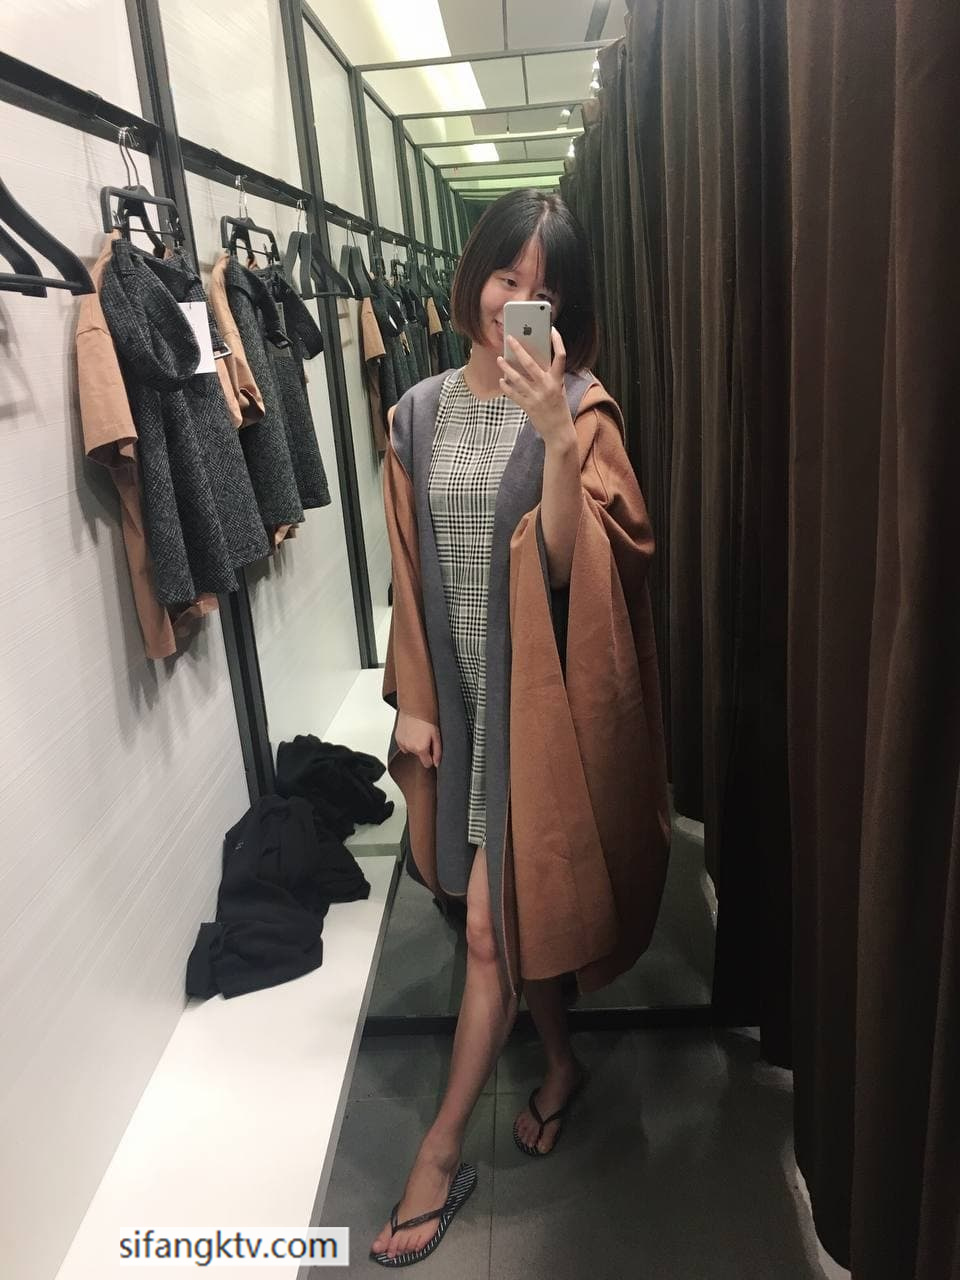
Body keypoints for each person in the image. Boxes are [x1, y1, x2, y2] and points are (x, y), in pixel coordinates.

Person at [372, 189, 671, 1267]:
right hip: (460, 700)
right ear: (475, 279)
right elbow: (408, 570)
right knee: (507, 909)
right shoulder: (415, 413)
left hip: (540, 713)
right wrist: (413, 695)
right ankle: (561, 1062)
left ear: (565, 310)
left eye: (542, 289)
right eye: (506, 276)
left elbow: (572, 571)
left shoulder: (583, 410)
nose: (517, 302)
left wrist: (550, 438)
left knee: (492, 930)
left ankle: (438, 1153)